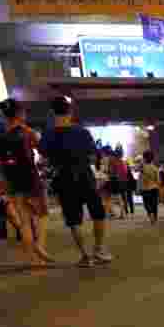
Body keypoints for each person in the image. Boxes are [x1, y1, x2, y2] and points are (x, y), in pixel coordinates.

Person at [39, 96, 112, 268]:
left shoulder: (48, 134)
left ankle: (85, 256)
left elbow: (43, 155)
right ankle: (99, 249)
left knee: (73, 219)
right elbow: (93, 155)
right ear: (70, 111)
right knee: (98, 213)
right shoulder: (82, 132)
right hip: (84, 175)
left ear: (52, 112)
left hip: (63, 178)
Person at [0, 99, 52, 267]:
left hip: (12, 179)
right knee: (42, 215)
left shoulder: (1, 135)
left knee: (24, 220)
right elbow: (43, 151)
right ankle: (40, 247)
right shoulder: (28, 132)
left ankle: (32, 259)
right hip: (31, 177)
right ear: (20, 113)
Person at [138, 151, 161, 224]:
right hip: (154, 188)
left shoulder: (142, 168)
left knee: (146, 203)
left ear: (144, 158)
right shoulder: (155, 168)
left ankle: (150, 213)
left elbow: (139, 178)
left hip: (145, 188)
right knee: (154, 204)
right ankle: (155, 217)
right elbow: (158, 180)